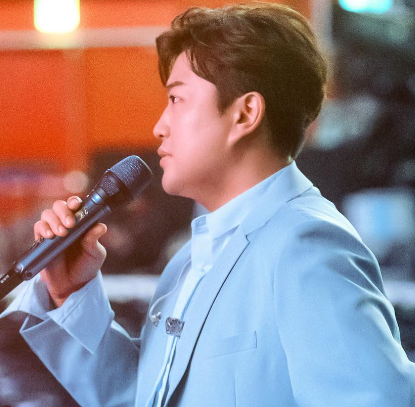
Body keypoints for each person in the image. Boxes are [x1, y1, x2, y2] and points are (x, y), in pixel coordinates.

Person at [1, 3, 415, 407]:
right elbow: (142, 395)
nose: (159, 127)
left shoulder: (306, 247)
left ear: (245, 114)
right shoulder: (189, 260)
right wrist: (70, 292)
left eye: (177, 99)